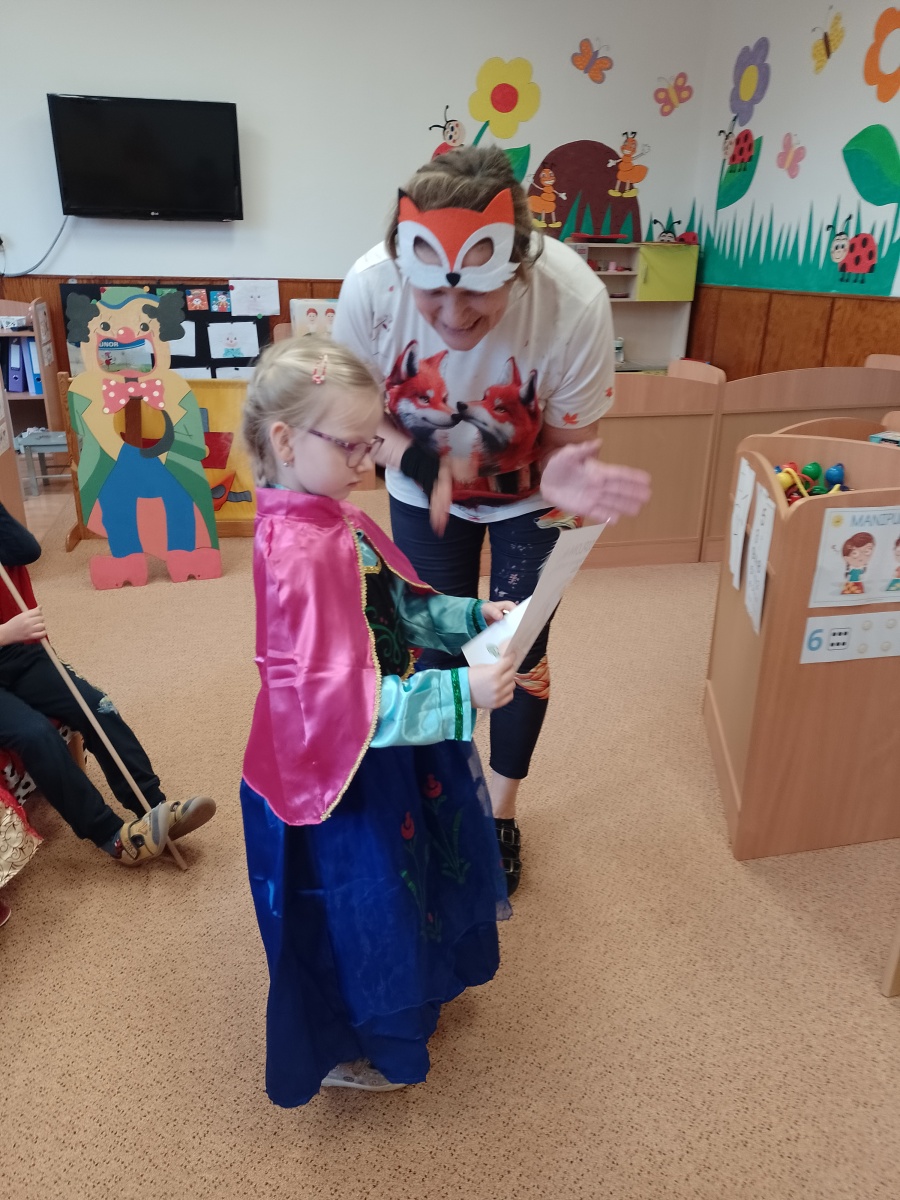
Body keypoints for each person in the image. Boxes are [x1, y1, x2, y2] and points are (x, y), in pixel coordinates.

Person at [333, 145, 651, 893]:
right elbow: (354, 420)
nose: (453, 318)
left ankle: (500, 813)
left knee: (515, 653)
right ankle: (439, 800)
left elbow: (568, 442)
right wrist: (424, 468)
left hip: (531, 496)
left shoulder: (573, 300)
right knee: (433, 648)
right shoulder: (370, 288)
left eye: (478, 294)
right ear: (403, 268)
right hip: (421, 490)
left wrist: (566, 474)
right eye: (431, 297)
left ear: (518, 265)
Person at [239, 335, 517, 1105]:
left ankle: (410, 997)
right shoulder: (294, 554)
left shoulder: (338, 519)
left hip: (384, 743)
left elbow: (398, 607)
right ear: (286, 441)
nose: (367, 463)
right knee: (362, 909)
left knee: (404, 884)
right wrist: (463, 694)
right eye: (352, 444)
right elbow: (331, 704)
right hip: (336, 775)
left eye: (373, 444)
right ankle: (360, 1043)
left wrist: (472, 617)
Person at [0, 503, 216, 864]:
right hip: (8, 639)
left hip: (18, 655)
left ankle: (153, 806)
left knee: (94, 705)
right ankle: (113, 837)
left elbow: (26, 550)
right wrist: (5, 632)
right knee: (36, 734)